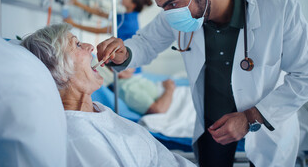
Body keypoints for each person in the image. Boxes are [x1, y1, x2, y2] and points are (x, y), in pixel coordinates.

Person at [96, 0, 308, 167]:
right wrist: (125, 53)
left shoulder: (278, 6)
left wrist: (250, 118)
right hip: (212, 127)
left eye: (171, 4)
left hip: (267, 124)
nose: (167, 13)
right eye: (162, 7)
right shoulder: (178, 13)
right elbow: (146, 42)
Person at [21, 23, 195, 167]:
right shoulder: (78, 141)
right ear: (59, 71)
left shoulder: (98, 111)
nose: (91, 47)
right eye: (77, 45)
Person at [100, 66, 176, 114]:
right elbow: (159, 109)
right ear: (116, 69)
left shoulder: (131, 79)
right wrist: (169, 89)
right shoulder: (127, 87)